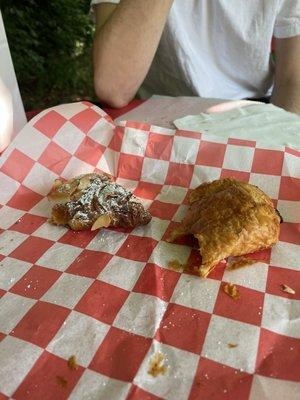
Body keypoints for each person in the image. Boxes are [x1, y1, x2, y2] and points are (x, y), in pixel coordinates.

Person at [92, 0, 300, 114]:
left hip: (255, 110)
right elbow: (113, 88)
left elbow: (294, 80)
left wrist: (279, 144)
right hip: (159, 115)